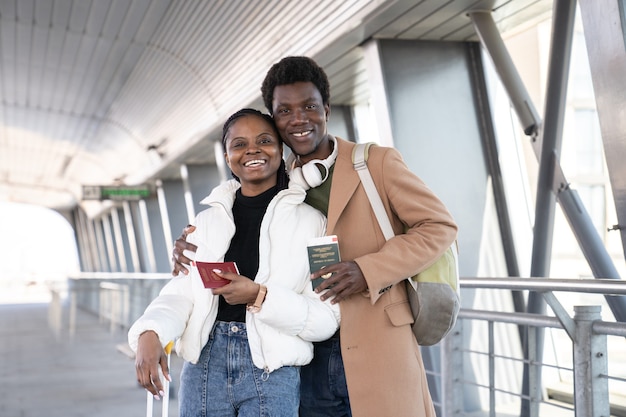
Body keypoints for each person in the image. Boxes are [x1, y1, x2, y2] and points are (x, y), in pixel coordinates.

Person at [172, 57, 458, 417]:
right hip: (305, 353)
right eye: (285, 111)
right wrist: (189, 244)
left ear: (327, 109)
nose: (299, 119)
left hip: (376, 339)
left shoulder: (375, 164)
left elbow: (439, 226)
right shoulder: (280, 182)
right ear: (274, 121)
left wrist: (366, 269)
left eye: (309, 106)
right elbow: (232, 217)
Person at [129, 108, 340, 417]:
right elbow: (181, 292)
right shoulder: (204, 223)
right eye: (239, 144)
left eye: (264, 140)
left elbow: (327, 318)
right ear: (228, 157)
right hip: (203, 368)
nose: (252, 149)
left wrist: (260, 297)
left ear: (280, 150)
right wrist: (151, 332)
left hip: (273, 372)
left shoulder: (317, 224)